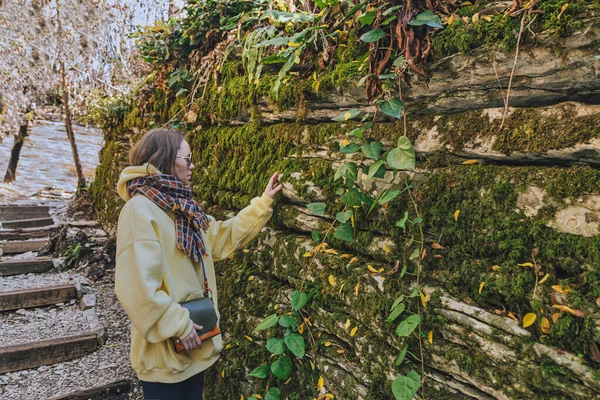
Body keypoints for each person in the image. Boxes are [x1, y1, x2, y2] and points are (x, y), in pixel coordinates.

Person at [114, 128, 282, 400]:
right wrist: (180, 325)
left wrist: (263, 203)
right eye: (187, 158)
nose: (192, 166)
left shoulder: (182, 207)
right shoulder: (139, 210)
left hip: (195, 346)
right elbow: (136, 289)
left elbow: (222, 237)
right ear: (166, 159)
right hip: (166, 354)